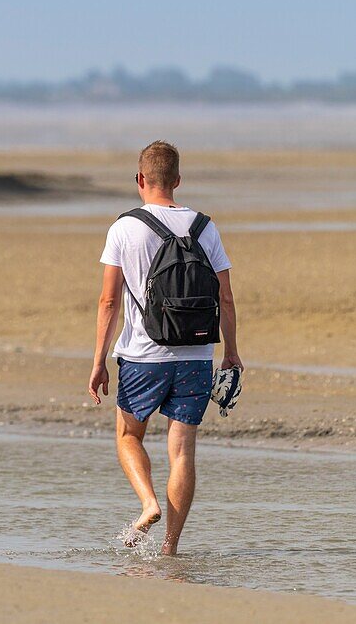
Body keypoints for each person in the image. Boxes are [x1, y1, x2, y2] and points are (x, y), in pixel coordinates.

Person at [88, 140, 242, 555]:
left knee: (127, 436)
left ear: (140, 179)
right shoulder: (205, 226)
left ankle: (148, 502)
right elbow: (225, 297)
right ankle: (170, 549)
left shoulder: (124, 227)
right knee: (182, 451)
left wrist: (99, 360)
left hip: (142, 355)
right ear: (177, 180)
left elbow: (108, 301)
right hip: (196, 354)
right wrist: (231, 352)